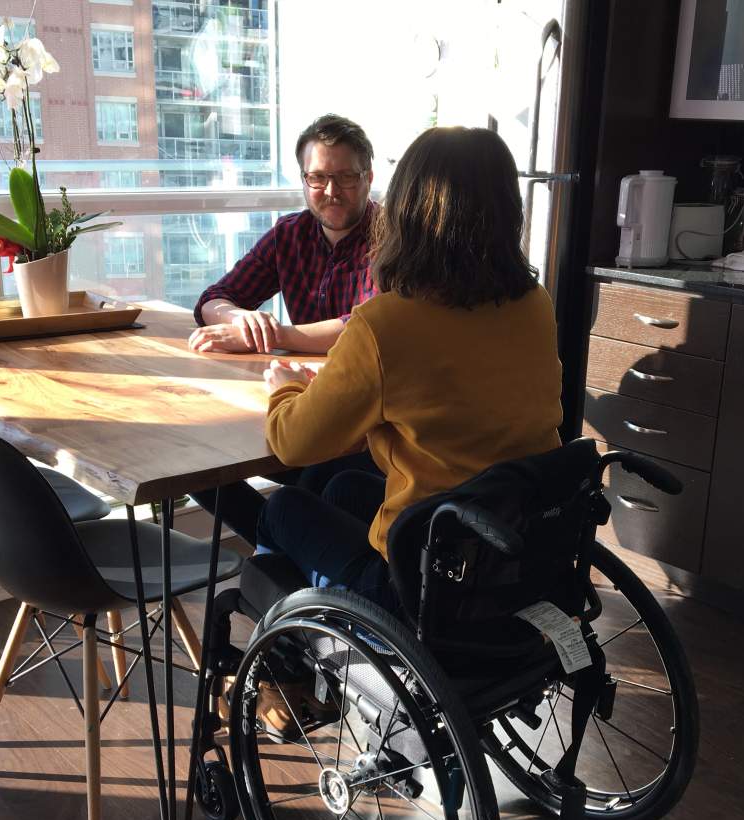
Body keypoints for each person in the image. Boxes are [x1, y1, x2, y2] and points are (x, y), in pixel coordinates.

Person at [254, 125, 564, 615]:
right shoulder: (534, 304)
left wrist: (287, 389)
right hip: (510, 544)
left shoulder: (386, 324)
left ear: (407, 211)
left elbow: (293, 444)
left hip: (423, 583)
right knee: (342, 488)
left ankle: (287, 660)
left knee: (282, 509)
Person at [186, 113, 381, 542]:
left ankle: (282, 551)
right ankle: (280, 547)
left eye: (345, 177)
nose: (331, 191)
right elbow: (212, 299)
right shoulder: (289, 234)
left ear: (368, 177)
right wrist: (242, 319)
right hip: (298, 401)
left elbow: (366, 326)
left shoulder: (391, 240)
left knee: (321, 483)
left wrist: (275, 335)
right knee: (196, 466)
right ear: (304, 179)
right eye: (317, 177)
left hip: (361, 422)